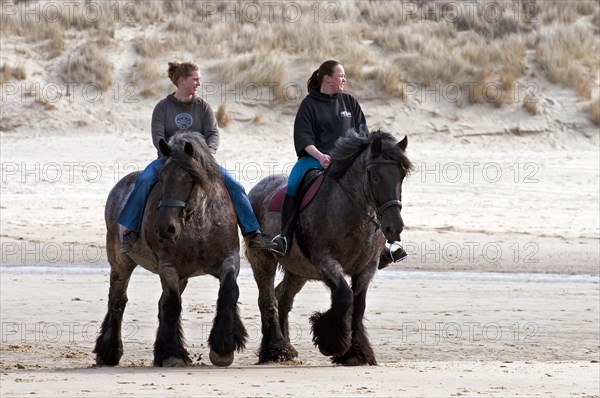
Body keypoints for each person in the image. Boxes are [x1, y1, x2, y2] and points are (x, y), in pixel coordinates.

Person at [117, 61, 275, 253]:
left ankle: (252, 233)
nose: (199, 83)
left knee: (234, 185)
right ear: (182, 80)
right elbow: (157, 136)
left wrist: (206, 153)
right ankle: (131, 232)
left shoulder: (203, 107)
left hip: (200, 163)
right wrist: (170, 152)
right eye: (196, 79)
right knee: (143, 180)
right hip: (169, 162)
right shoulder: (163, 107)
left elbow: (213, 134)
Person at [268, 60, 406, 268]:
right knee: (294, 183)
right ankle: (285, 237)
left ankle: (384, 246)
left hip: (348, 164)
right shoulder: (309, 105)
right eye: (340, 76)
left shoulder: (350, 102)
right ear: (327, 79)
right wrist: (321, 156)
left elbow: (364, 136)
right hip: (314, 160)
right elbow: (303, 139)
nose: (344, 79)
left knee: (376, 188)